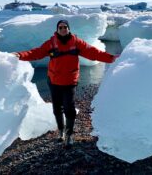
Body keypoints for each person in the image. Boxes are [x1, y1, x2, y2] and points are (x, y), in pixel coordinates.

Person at [12, 19, 119, 148]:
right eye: (61, 27)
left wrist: (111, 58)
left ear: (68, 29)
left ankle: (69, 134)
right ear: (57, 29)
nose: (63, 29)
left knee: (69, 109)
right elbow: (36, 53)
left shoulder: (76, 42)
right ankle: (61, 131)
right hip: (54, 81)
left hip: (70, 82)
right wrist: (20, 55)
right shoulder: (51, 43)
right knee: (57, 109)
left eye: (65, 27)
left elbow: (93, 53)